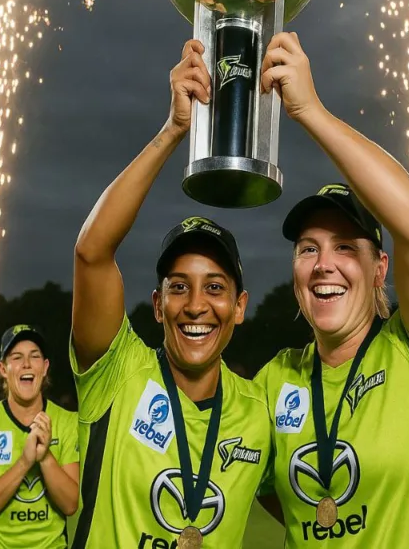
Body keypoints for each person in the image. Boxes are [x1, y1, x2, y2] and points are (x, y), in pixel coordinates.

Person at [253, 32, 409, 547]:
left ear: (380, 269)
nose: (324, 265)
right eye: (308, 249)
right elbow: (262, 485)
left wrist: (309, 111)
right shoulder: (276, 379)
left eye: (347, 247)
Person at [70, 38, 272, 548]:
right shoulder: (117, 374)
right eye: (179, 287)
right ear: (158, 305)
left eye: (216, 288)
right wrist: (174, 130)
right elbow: (92, 252)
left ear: (239, 308)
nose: (197, 305)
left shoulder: (260, 411)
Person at [0, 325, 79, 547]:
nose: (26, 364)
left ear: (44, 368)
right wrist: (25, 462)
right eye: (17, 357)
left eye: (34, 357)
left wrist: (45, 458)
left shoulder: (67, 422)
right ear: (3, 369)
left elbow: (71, 503)